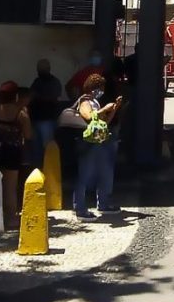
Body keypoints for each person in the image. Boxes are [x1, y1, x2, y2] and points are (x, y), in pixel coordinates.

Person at [73, 74, 124, 221]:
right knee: (85, 174)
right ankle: (80, 209)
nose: (101, 91)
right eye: (99, 88)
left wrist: (114, 109)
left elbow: (104, 122)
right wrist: (104, 109)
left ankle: (103, 204)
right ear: (92, 88)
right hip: (87, 142)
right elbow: (89, 117)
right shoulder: (85, 101)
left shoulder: (95, 102)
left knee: (102, 172)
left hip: (97, 141)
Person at [0, 82, 29, 229]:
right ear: (15, 96)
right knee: (10, 187)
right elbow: (28, 134)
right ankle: (11, 219)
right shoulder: (21, 113)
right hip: (12, 150)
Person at [28, 59, 62, 166]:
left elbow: (54, 98)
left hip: (48, 119)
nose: (40, 71)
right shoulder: (37, 81)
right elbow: (30, 96)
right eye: (39, 69)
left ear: (48, 69)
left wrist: (38, 97)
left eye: (42, 69)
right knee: (36, 149)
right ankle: (38, 169)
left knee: (48, 148)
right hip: (36, 119)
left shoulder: (54, 82)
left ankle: (49, 170)